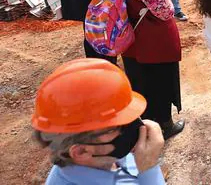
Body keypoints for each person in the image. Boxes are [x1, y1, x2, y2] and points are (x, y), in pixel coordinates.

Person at [95, 0, 184, 140]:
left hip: (130, 42)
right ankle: (164, 126)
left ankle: (142, 124)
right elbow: (165, 11)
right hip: (152, 43)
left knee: (140, 84)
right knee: (160, 85)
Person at [32, 58, 166, 185]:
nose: (134, 126)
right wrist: (149, 168)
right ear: (81, 152)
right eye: (114, 127)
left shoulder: (107, 156)